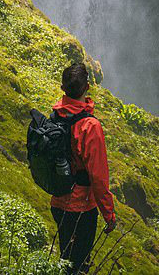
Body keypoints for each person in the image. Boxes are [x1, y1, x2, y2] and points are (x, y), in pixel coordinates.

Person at [50, 61, 116, 273]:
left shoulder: (56, 116)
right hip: (81, 207)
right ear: (87, 87)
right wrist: (109, 215)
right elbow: (98, 177)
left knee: (66, 259)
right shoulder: (90, 126)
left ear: (63, 88)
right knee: (79, 266)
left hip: (58, 202)